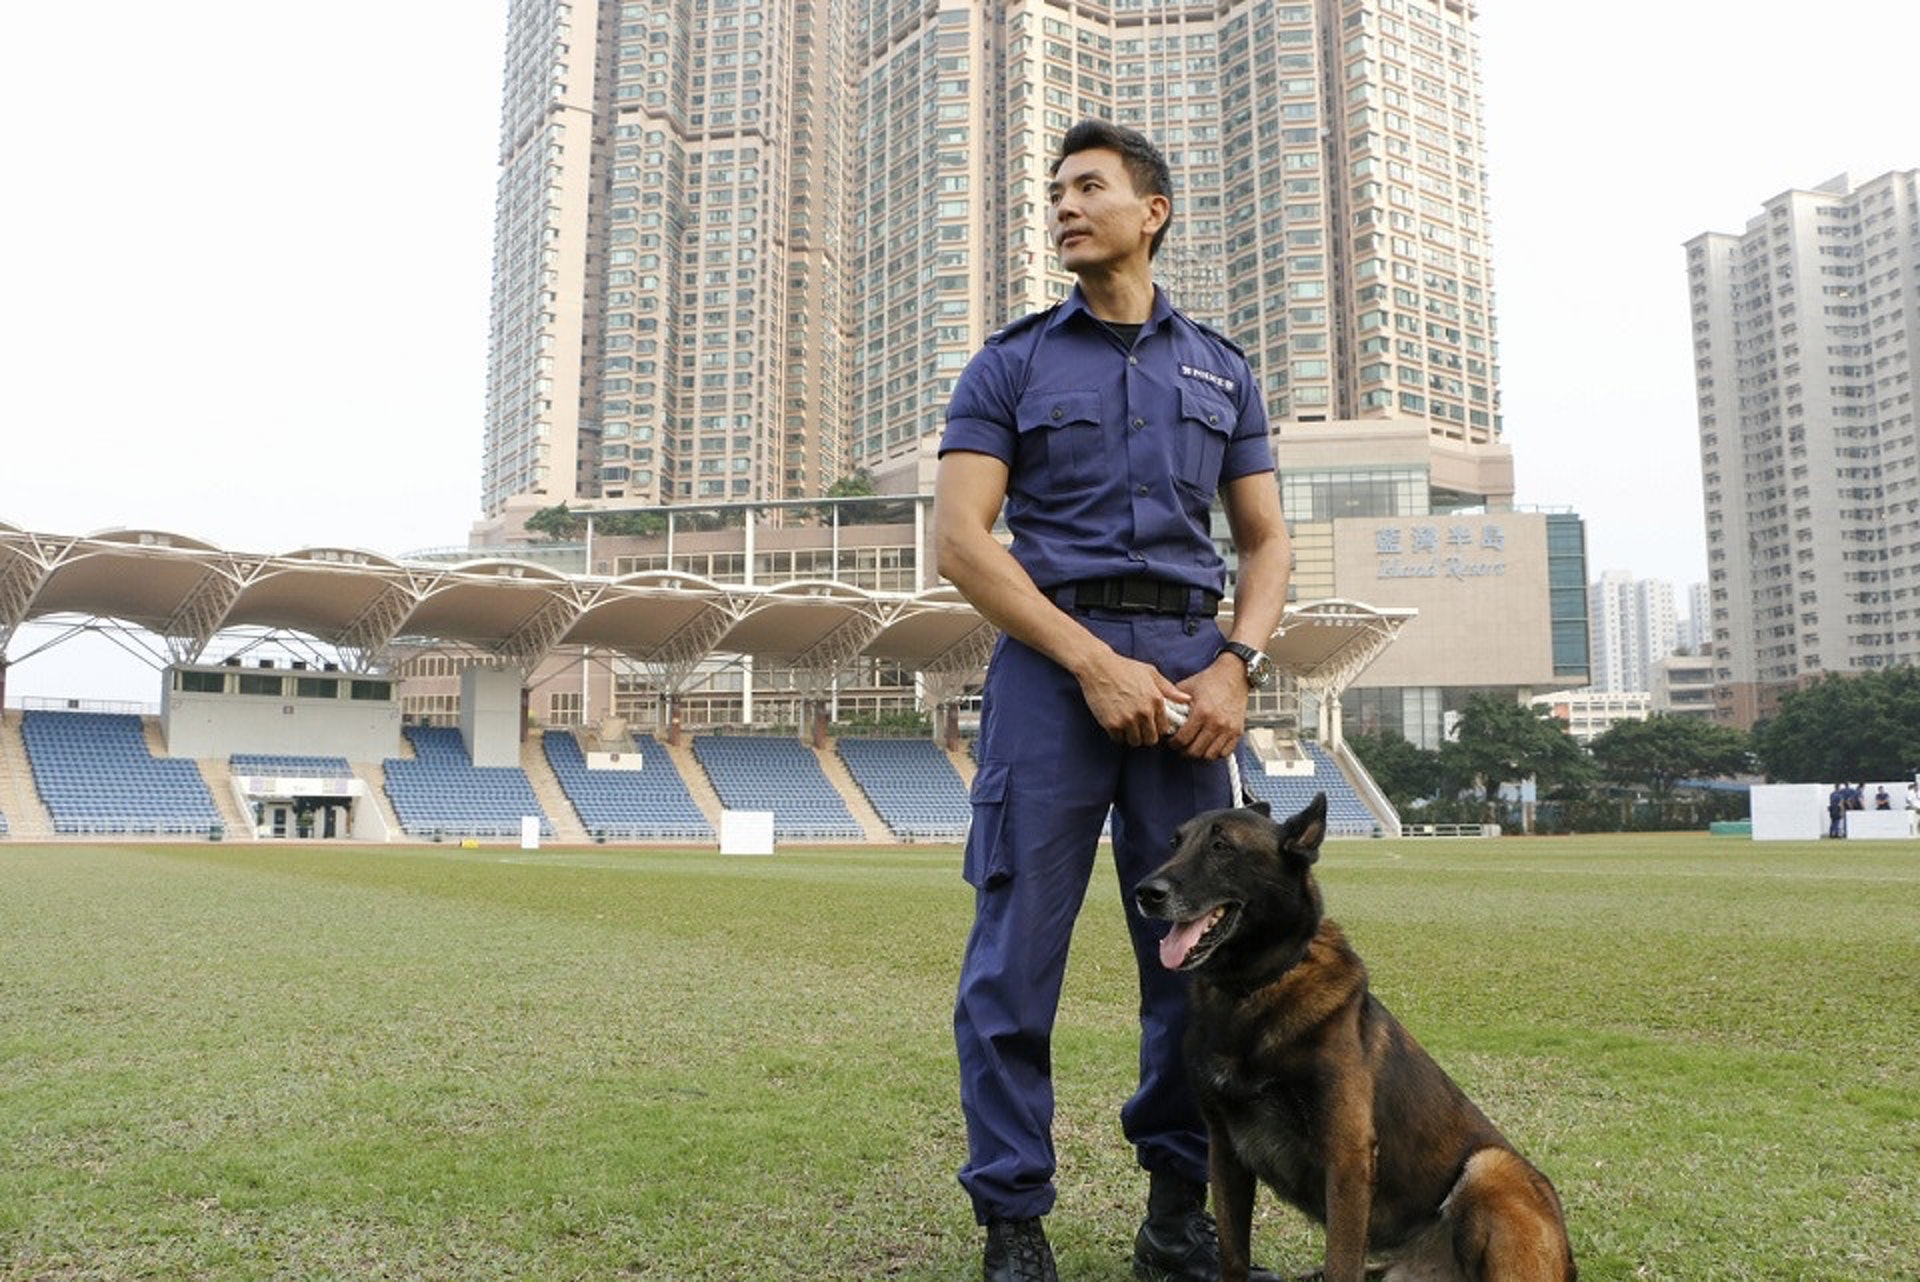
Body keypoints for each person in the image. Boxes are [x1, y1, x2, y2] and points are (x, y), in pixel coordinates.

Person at [935, 120, 1292, 1282]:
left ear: (1155, 210)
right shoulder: (1012, 362)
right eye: (1054, 192)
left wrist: (1236, 661)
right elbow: (960, 541)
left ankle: (1176, 1213)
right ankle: (1012, 1224)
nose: (1063, 207)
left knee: (1194, 958)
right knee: (1013, 955)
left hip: (1193, 673)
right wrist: (1090, 661)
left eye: (1089, 187)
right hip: (1052, 667)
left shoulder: (1223, 368)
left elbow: (1266, 538)